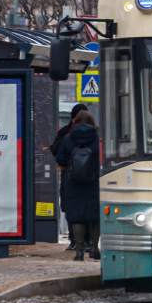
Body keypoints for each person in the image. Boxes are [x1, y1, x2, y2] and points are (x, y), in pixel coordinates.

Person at [57, 110, 100, 262]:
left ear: (74, 122)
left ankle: (79, 252)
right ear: (92, 122)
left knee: (76, 217)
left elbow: (60, 160)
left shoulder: (68, 138)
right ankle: (94, 248)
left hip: (73, 183)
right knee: (95, 216)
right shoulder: (97, 138)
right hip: (94, 183)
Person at [51, 103, 87, 251]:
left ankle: (84, 241)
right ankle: (76, 240)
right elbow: (55, 150)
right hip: (74, 177)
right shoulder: (66, 133)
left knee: (84, 209)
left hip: (79, 177)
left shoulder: (92, 133)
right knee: (71, 208)